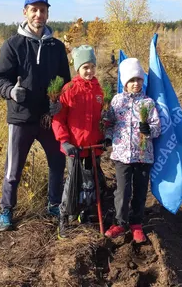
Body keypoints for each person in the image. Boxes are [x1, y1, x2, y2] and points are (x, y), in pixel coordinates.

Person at [0, 0, 71, 232]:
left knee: (58, 162)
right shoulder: (13, 45)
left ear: (48, 13)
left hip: (48, 119)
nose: (38, 14)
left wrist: (58, 104)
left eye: (43, 10)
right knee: (13, 168)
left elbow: (65, 83)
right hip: (21, 118)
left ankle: (54, 204)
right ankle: (6, 210)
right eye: (34, 9)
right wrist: (11, 92)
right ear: (25, 12)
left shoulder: (57, 47)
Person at [104, 58, 161, 243]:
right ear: (125, 83)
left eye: (139, 80)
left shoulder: (148, 103)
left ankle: (136, 223)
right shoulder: (117, 101)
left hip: (143, 155)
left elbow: (157, 127)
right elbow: (110, 123)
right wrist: (107, 135)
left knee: (140, 190)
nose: (136, 84)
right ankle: (120, 222)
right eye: (132, 80)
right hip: (121, 154)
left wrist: (149, 130)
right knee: (122, 190)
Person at [52, 45, 105, 239]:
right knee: (73, 183)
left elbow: (103, 118)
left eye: (92, 66)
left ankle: (85, 212)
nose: (89, 71)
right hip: (75, 148)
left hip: (94, 147)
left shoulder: (99, 90)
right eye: (85, 67)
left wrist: (105, 136)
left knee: (91, 182)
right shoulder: (70, 89)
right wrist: (64, 141)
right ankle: (64, 217)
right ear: (77, 68)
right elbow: (58, 119)